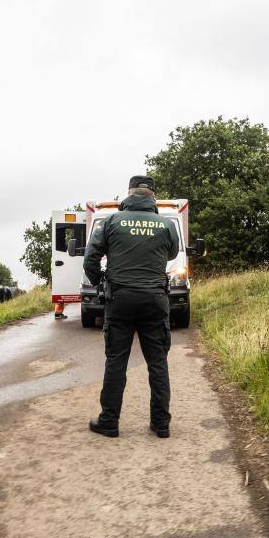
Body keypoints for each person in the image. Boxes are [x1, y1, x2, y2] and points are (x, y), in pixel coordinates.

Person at [83, 176, 179, 438]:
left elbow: (91, 258)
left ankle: (109, 422)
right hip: (155, 299)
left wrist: (100, 281)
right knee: (157, 362)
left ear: (129, 194)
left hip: (120, 299)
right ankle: (161, 424)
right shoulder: (166, 224)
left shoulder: (112, 221)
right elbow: (172, 253)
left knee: (116, 361)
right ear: (152, 196)